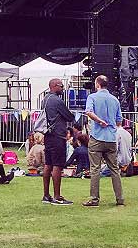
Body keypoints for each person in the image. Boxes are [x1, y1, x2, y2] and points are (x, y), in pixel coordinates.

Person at [83, 75, 124, 207]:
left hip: (97, 137)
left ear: (97, 84)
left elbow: (88, 112)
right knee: (115, 169)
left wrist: (99, 121)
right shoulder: (115, 100)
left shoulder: (92, 97)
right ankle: (120, 199)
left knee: (95, 169)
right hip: (111, 139)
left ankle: (94, 199)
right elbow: (119, 120)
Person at [41, 78, 75, 205]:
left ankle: (46, 195)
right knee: (57, 165)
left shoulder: (45, 99)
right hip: (57, 136)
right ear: (54, 86)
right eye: (61, 86)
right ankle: (57, 196)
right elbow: (68, 116)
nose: (62, 89)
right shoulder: (57, 100)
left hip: (48, 135)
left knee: (48, 164)